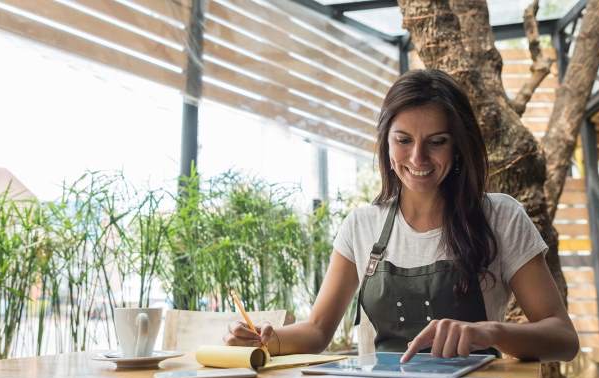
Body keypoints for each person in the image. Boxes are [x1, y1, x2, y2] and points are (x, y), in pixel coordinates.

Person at [224, 69, 579, 363]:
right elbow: (317, 330)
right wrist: (266, 340)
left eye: (437, 141)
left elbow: (563, 338)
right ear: (386, 142)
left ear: (458, 145)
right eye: (403, 140)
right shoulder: (361, 226)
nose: (418, 158)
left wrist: (488, 332)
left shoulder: (501, 216)